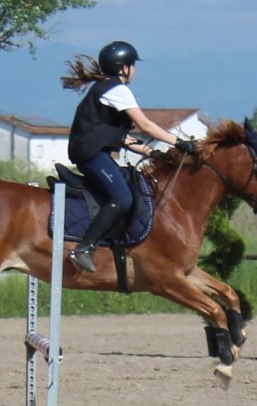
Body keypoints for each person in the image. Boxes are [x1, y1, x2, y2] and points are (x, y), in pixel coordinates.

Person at [61, 40, 198, 273]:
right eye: (133, 65)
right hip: (92, 154)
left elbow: (122, 138)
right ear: (123, 67)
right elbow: (144, 124)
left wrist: (152, 152)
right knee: (123, 198)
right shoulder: (117, 89)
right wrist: (180, 142)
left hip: (92, 151)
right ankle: (85, 248)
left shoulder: (107, 89)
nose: (135, 70)